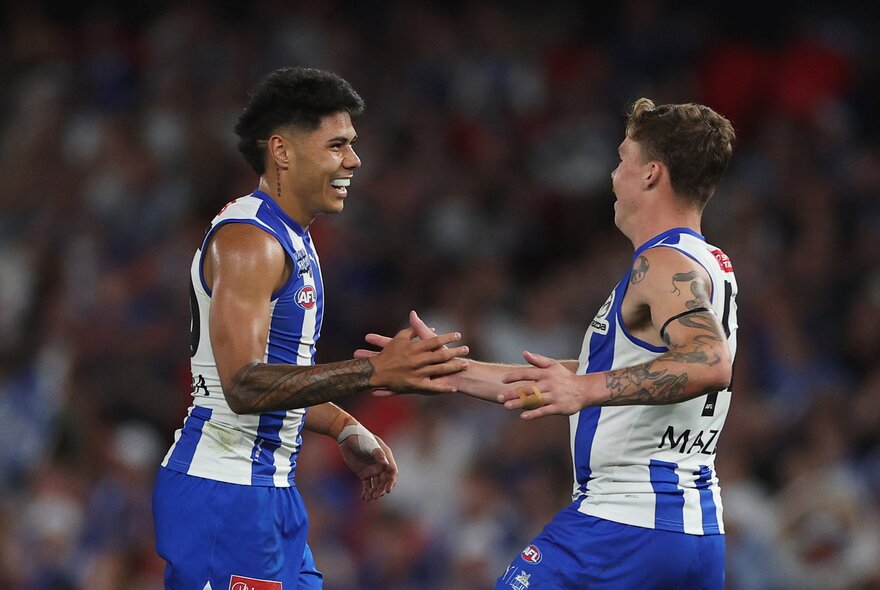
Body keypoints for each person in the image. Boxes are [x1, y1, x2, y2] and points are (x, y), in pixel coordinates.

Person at [360, 98, 738, 589]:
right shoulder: (714, 264)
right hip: (695, 534)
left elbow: (709, 361)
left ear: (650, 174)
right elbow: (593, 374)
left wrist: (587, 389)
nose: (612, 176)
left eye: (623, 159)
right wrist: (451, 371)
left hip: (621, 531)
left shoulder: (663, 264)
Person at [151, 67, 468, 590]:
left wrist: (343, 425)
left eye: (352, 144)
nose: (353, 161)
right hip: (224, 494)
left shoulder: (290, 236)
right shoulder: (251, 242)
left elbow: (279, 377)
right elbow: (243, 384)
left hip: (267, 493)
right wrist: (371, 376)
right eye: (337, 145)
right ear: (282, 151)